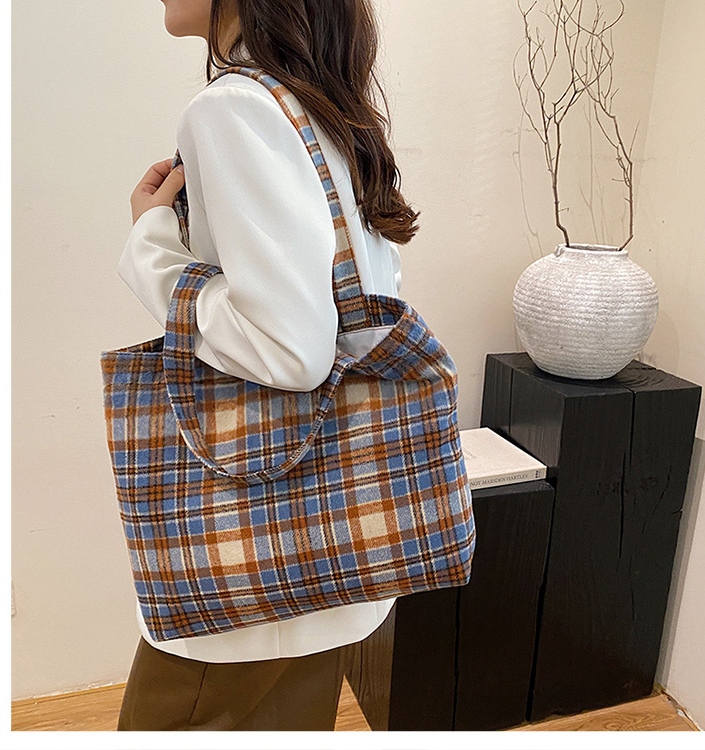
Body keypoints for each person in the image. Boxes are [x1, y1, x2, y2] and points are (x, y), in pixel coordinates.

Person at [115, 0, 420, 732]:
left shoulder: (235, 108)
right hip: (333, 552)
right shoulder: (323, 106)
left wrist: (153, 244)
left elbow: (291, 349)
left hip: (246, 576)